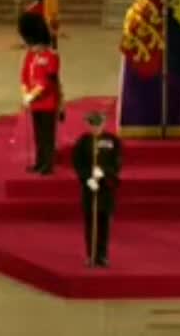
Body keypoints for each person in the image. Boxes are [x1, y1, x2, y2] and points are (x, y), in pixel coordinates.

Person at [73, 111, 122, 267]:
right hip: (90, 189)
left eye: (98, 124)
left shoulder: (113, 141)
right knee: (90, 224)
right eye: (92, 125)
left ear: (104, 124)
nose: (96, 128)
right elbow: (77, 164)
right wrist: (88, 179)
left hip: (106, 189)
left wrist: (105, 173)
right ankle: (91, 255)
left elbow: (117, 162)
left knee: (104, 224)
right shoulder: (82, 142)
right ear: (88, 125)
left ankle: (103, 255)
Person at [20, 12, 61, 175]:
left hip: (48, 102)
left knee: (47, 136)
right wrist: (24, 93)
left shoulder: (52, 57)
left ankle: (47, 164)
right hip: (35, 103)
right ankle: (39, 162)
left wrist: (32, 95)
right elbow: (24, 75)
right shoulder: (31, 55)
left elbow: (47, 83)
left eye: (33, 44)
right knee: (38, 135)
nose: (31, 47)